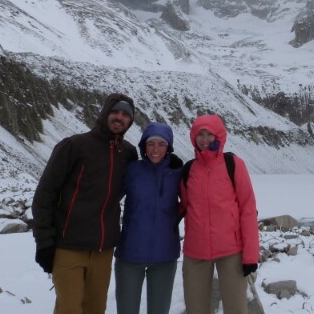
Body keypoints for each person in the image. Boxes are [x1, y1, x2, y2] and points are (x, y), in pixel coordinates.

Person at [32, 93, 138, 314]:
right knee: (69, 309)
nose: (119, 117)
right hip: (69, 246)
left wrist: (170, 164)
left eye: (125, 115)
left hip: (103, 250)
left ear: (130, 121)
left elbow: (140, 182)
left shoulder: (128, 153)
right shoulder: (74, 146)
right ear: (105, 114)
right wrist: (44, 241)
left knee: (95, 309)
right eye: (115, 112)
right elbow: (45, 194)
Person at [180, 114, 259, 314]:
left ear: (219, 136)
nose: (204, 139)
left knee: (236, 309)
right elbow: (184, 207)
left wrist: (250, 255)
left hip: (231, 251)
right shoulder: (189, 169)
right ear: (193, 137)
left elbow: (248, 209)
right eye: (200, 134)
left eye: (209, 134)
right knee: (195, 309)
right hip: (195, 252)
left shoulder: (233, 164)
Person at [114, 122, 183, 314]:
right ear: (144, 145)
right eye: (151, 143)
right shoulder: (131, 170)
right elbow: (108, 199)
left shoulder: (177, 173)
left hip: (165, 255)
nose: (155, 149)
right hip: (130, 254)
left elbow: (195, 202)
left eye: (161, 144)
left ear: (168, 147)